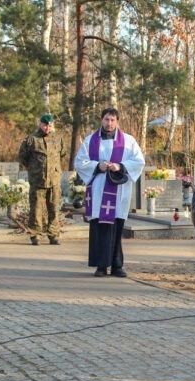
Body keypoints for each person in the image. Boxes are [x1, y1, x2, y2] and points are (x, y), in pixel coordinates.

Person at [75, 108, 145, 277]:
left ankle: (117, 266)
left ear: (117, 122)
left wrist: (119, 166)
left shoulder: (128, 141)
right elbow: (79, 162)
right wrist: (96, 166)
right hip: (99, 191)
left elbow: (139, 161)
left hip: (119, 191)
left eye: (112, 120)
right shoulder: (90, 140)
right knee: (101, 230)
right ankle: (101, 266)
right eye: (106, 119)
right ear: (101, 120)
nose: (109, 123)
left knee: (117, 229)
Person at [19, 113, 67, 245]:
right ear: (40, 124)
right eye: (45, 125)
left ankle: (53, 235)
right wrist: (34, 169)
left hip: (54, 180)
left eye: (50, 125)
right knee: (36, 209)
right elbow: (23, 157)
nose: (47, 128)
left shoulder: (58, 139)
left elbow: (62, 154)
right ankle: (35, 235)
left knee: (54, 208)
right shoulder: (31, 139)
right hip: (37, 179)